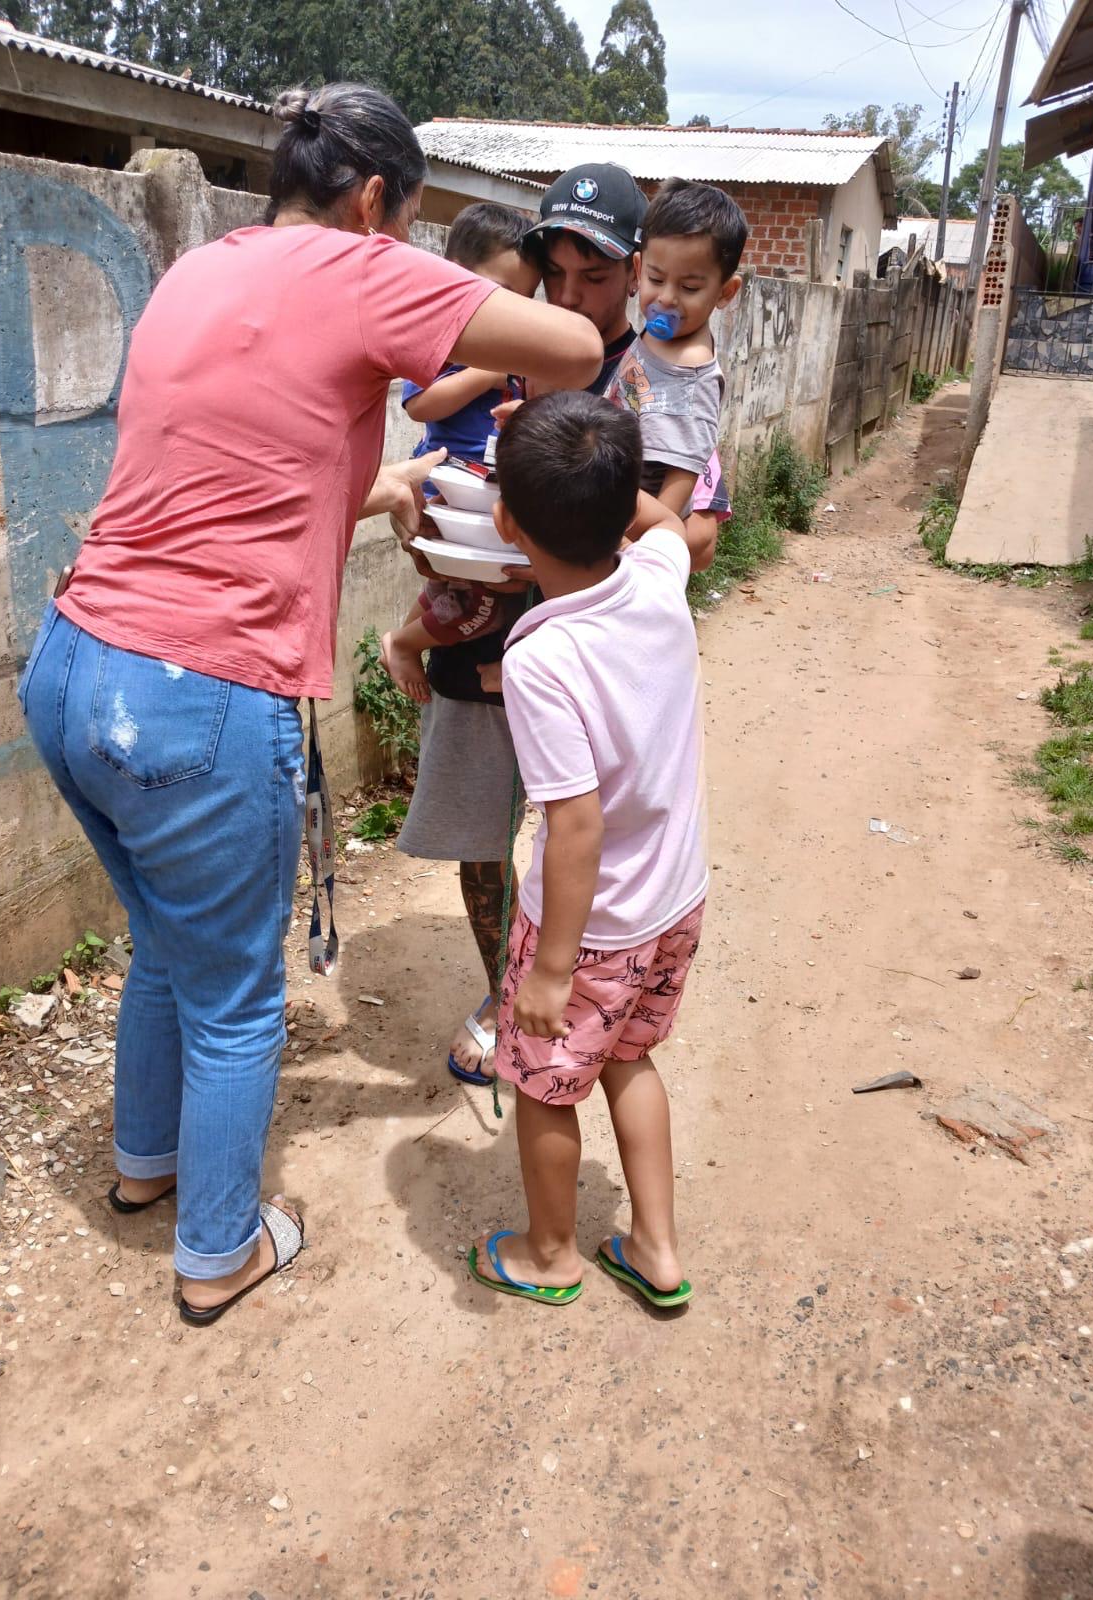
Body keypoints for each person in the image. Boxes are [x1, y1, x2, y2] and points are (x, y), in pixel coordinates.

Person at [19, 82, 601, 1326]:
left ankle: (145, 1164)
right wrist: (469, 333)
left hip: (72, 667)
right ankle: (219, 1251)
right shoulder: (361, 266)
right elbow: (576, 350)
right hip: (195, 698)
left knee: (168, 946)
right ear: (375, 199)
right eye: (411, 221)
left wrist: (382, 481)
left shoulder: (200, 270)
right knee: (239, 997)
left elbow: (236, 474)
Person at [395, 163, 729, 1088]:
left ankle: (582, 990)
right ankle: (502, 990)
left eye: (598, 276)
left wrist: (576, 526)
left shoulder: (664, 375)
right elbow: (441, 462)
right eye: (556, 276)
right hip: (485, 626)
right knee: (480, 830)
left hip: (592, 657)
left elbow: (699, 534)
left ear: (638, 272)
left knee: (587, 831)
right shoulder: (512, 351)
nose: (572, 298)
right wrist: (442, 526)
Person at [466, 390, 704, 1310]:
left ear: (506, 524)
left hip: (594, 929)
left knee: (544, 1086)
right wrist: (598, 448)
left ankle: (551, 1253)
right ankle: (656, 1248)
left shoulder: (542, 659)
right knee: (629, 1061)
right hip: (674, 901)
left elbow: (575, 826)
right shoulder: (659, 574)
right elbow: (663, 523)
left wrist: (552, 972)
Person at [381, 203, 541, 703]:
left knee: (452, 593)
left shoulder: (518, 347)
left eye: (527, 299)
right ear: (454, 277)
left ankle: (402, 641)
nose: (516, 310)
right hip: (450, 489)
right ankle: (405, 643)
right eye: (502, 293)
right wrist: (486, 374)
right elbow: (420, 404)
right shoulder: (447, 343)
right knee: (482, 606)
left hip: (486, 496)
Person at [607, 179, 747, 517]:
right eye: (656, 280)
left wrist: (647, 534)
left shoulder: (692, 375)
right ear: (638, 270)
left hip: (637, 520)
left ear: (725, 292)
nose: (667, 298)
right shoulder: (660, 338)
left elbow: (683, 472)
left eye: (689, 287)